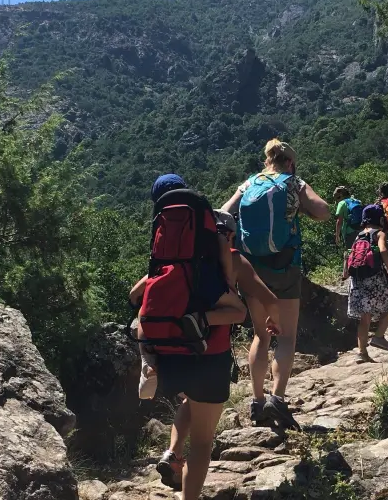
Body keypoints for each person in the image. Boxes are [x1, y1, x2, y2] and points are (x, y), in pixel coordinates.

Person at [133, 210, 279, 497]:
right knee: (202, 442)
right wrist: (273, 320)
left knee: (190, 402)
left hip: (174, 353)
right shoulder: (235, 259)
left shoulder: (177, 263)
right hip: (211, 357)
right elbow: (268, 298)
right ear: (230, 236)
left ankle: (173, 453)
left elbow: (136, 294)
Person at [221, 139, 330, 430]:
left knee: (260, 334)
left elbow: (222, 214)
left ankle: (257, 403)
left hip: (252, 269)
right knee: (287, 336)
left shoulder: (249, 183)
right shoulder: (293, 182)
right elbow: (323, 210)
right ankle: (277, 400)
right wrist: (301, 209)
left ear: (267, 160)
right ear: (290, 162)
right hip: (285, 265)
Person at [133, 174, 239, 400]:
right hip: (203, 280)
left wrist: (137, 293)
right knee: (239, 311)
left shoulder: (162, 221)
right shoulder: (200, 214)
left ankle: (148, 362)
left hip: (164, 280)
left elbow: (156, 268)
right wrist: (228, 283)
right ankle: (201, 320)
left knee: (144, 310)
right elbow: (221, 247)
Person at [342, 204, 388, 360]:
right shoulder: (379, 234)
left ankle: (362, 353)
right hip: (374, 278)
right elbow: (383, 251)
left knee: (364, 317)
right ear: (380, 218)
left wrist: (345, 273)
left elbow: (349, 255)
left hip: (357, 279)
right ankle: (378, 337)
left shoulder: (359, 235)